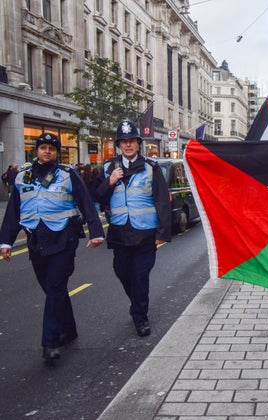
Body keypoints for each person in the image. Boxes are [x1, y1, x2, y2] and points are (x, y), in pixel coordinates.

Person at [0, 133, 105, 361]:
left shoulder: (68, 175)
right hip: (36, 241)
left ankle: (50, 342)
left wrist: (96, 232)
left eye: (52, 148)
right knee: (51, 289)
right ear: (36, 151)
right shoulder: (21, 177)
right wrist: (6, 242)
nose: (47, 151)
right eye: (43, 147)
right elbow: (12, 213)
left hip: (63, 240)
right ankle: (70, 328)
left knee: (56, 286)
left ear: (57, 153)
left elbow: (86, 203)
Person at [95, 120, 171, 338]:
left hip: (145, 233)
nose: (128, 145)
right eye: (124, 142)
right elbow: (98, 196)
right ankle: (136, 303)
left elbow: (162, 201)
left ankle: (140, 316)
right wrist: (109, 182)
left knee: (140, 276)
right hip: (119, 232)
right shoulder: (109, 167)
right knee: (122, 272)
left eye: (132, 141)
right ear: (119, 144)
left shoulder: (151, 167)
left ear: (138, 143)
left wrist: (162, 233)